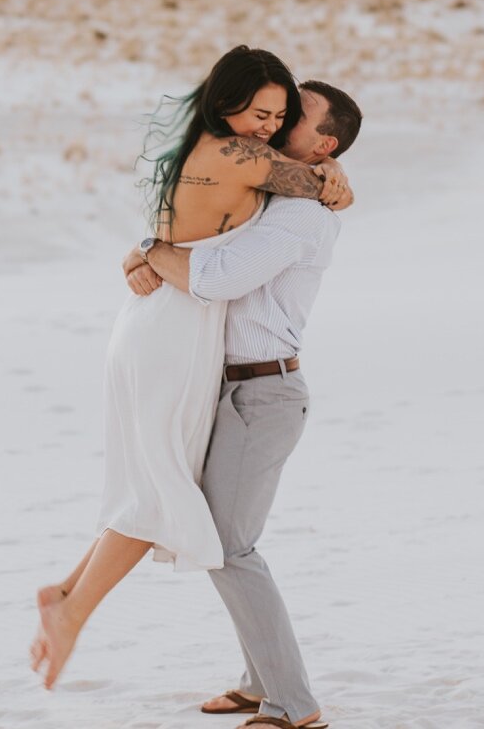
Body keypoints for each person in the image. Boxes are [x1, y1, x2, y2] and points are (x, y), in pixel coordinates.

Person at [30, 47, 352, 692]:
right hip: (173, 328)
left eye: (282, 115)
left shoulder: (203, 145)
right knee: (161, 488)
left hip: (156, 322)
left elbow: (205, 229)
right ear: (228, 101)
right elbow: (313, 189)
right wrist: (333, 175)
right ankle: (71, 610)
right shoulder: (247, 159)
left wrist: (150, 246)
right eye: (262, 112)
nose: (270, 126)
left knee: (152, 482)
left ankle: (68, 593)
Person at [124, 79, 363, 729]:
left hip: (266, 393)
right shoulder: (273, 196)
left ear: (324, 143)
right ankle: (260, 681)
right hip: (230, 387)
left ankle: (294, 703)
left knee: (230, 546)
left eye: (298, 117)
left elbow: (217, 278)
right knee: (225, 541)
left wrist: (151, 252)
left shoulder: (304, 216)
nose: (281, 122)